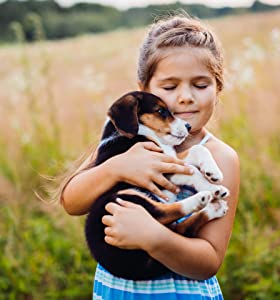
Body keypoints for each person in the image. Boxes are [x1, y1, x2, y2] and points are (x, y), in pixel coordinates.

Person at [60, 13, 240, 300]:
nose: (185, 97)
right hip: (117, 290)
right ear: (143, 91)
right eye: (169, 87)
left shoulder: (221, 157)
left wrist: (154, 238)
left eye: (201, 85)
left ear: (218, 87)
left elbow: (209, 261)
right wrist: (115, 169)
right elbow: (71, 201)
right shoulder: (123, 144)